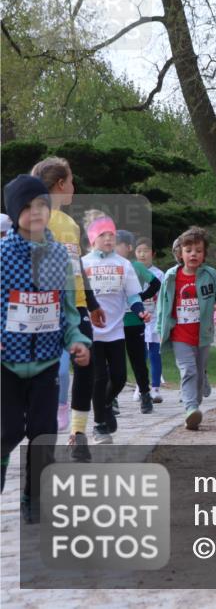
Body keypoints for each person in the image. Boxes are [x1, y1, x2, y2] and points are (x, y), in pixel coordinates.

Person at [1, 174, 91, 522]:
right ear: (13, 213)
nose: (35, 212)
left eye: (41, 204)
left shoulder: (57, 257)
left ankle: (33, 497)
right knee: (7, 431)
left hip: (46, 362)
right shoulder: (2, 256)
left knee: (43, 434)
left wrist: (77, 341)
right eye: (26, 207)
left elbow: (68, 311)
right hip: (7, 362)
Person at [28, 158, 106, 461]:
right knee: (48, 373)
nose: (74, 187)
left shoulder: (71, 224)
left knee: (87, 368)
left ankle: (78, 433)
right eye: (71, 180)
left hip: (79, 308)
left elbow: (78, 268)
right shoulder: (37, 219)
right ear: (61, 183)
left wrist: (93, 302)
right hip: (47, 309)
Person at [156, 226, 216, 430]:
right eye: (189, 250)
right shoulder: (171, 276)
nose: (193, 254)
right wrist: (159, 327)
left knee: (198, 373)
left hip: (203, 334)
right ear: (180, 254)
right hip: (179, 334)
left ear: (204, 254)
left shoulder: (209, 275)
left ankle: (196, 401)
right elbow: (162, 306)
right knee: (189, 371)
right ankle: (191, 409)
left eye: (198, 251)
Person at [82, 215, 152, 442]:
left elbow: (132, 294)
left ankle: (102, 406)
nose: (108, 238)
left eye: (111, 234)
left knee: (120, 377)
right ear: (93, 239)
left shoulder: (124, 264)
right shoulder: (84, 264)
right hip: (92, 332)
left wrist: (140, 310)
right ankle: (99, 425)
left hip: (115, 330)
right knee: (99, 377)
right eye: (102, 234)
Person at [116, 231, 160, 411]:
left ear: (128, 248)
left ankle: (145, 394)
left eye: (119, 244)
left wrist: (140, 297)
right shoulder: (105, 267)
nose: (114, 247)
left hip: (134, 320)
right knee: (114, 363)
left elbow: (155, 284)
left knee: (138, 361)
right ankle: (111, 399)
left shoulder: (136, 266)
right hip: (114, 323)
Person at [135, 236, 165, 401]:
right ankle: (140, 386)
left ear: (152, 254)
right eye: (139, 251)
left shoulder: (159, 275)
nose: (142, 254)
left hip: (154, 319)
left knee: (155, 353)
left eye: (146, 251)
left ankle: (155, 388)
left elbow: (162, 298)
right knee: (140, 354)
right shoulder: (132, 272)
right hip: (137, 319)